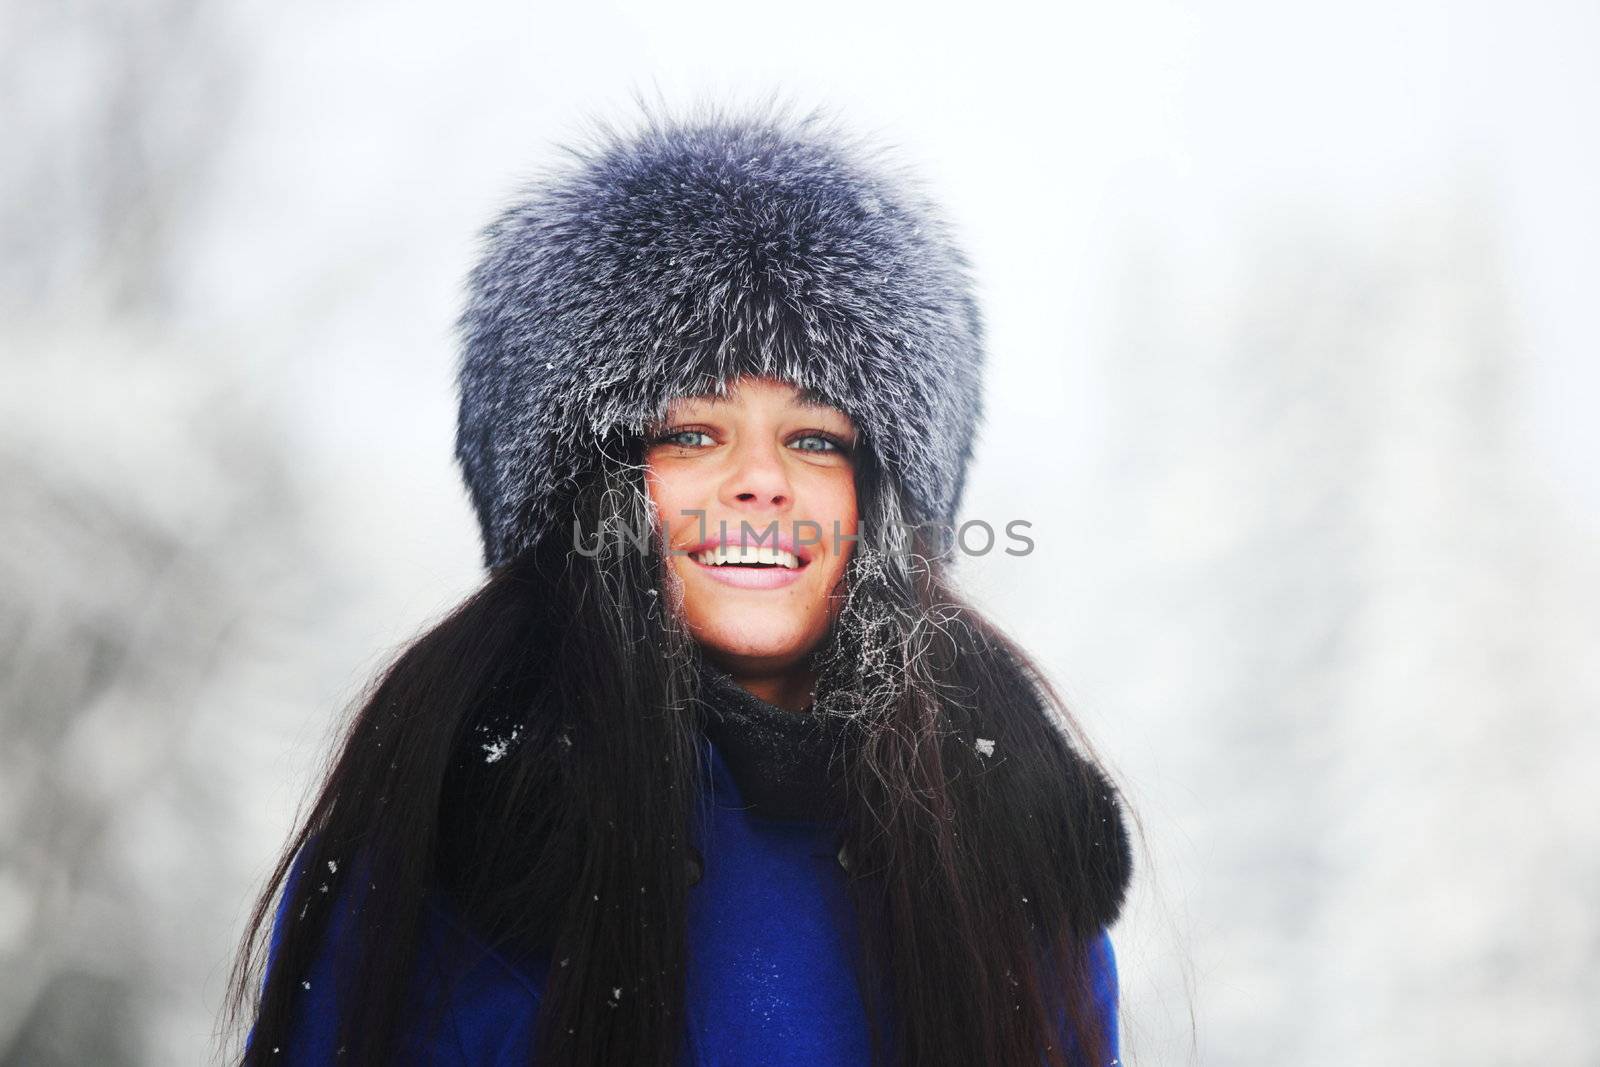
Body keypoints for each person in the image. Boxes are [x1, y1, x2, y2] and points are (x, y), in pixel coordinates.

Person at [222, 95, 1134, 1067]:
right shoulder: (441, 838)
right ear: (587, 485)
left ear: (879, 500)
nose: (759, 478)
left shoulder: (1010, 842)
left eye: (815, 437)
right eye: (691, 431)